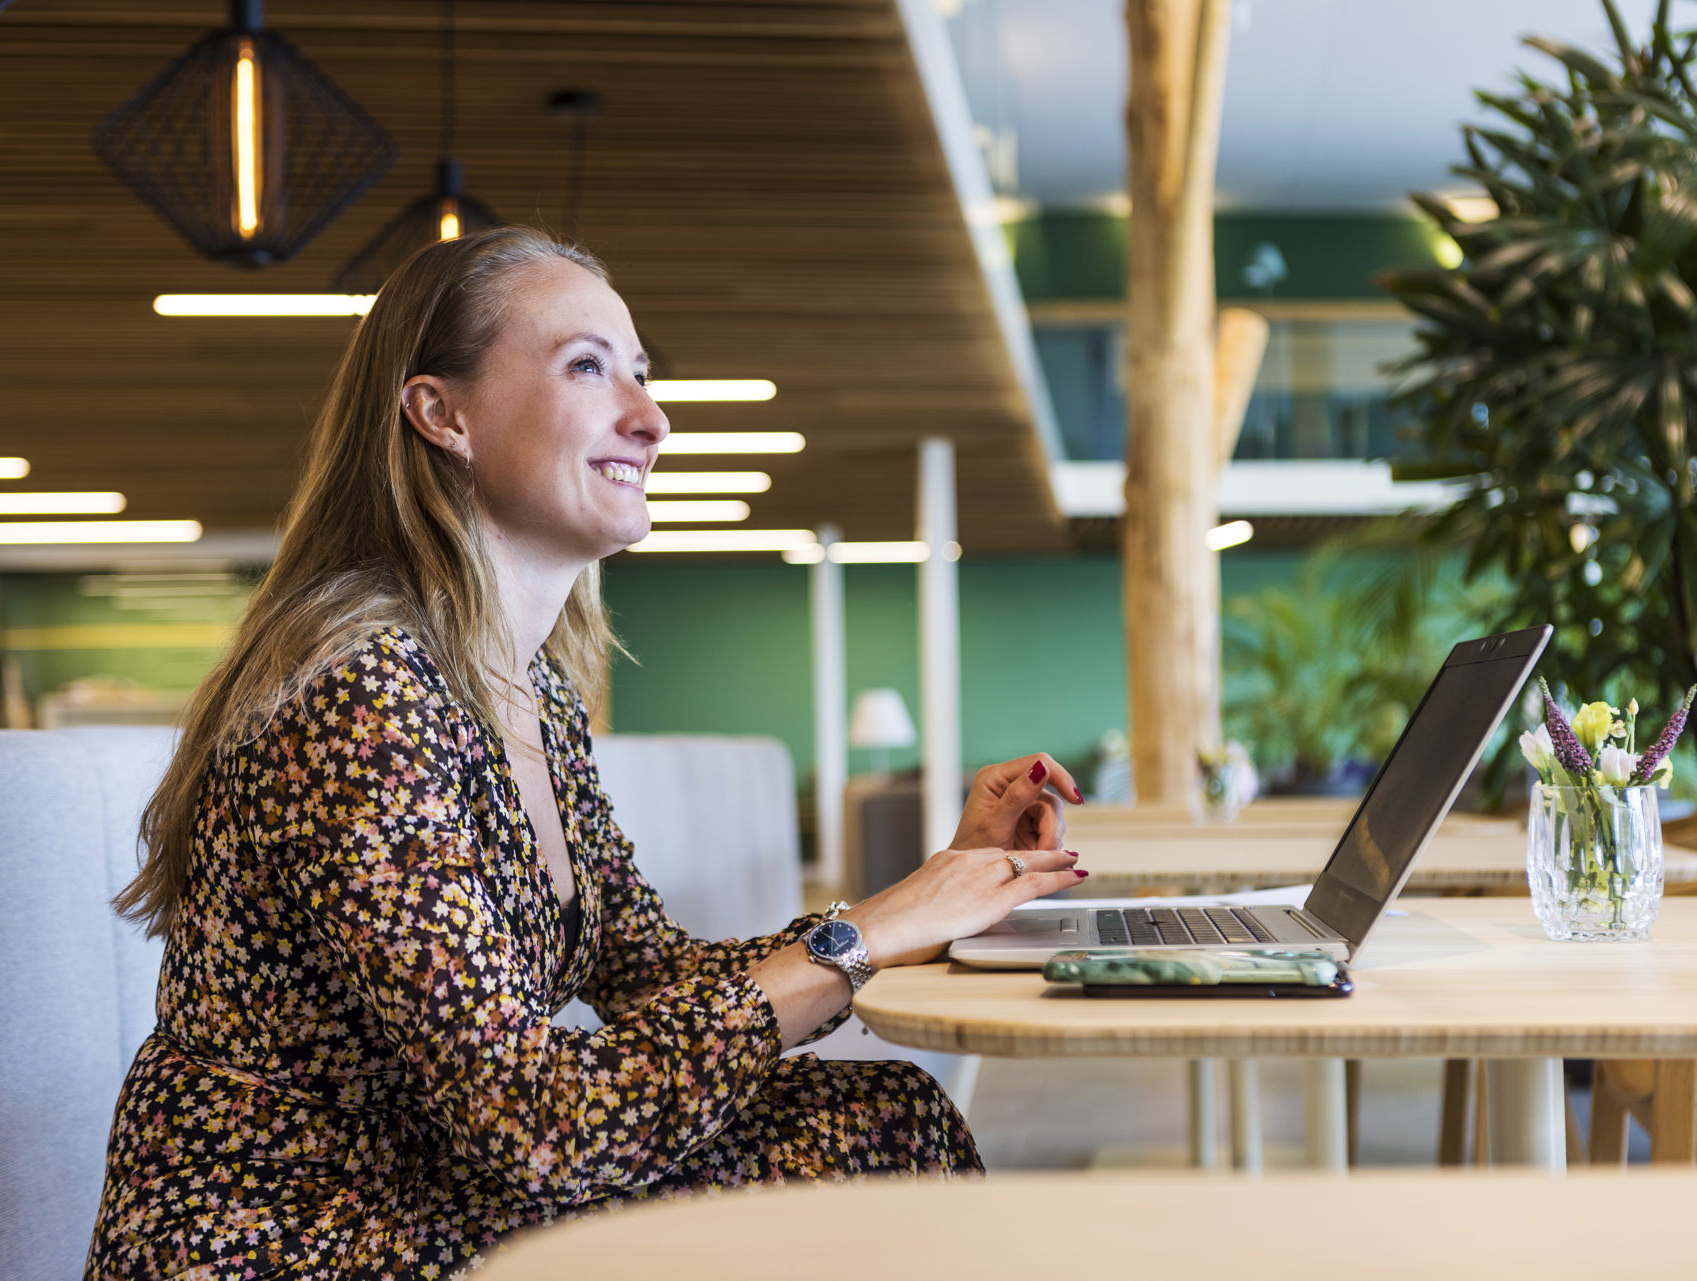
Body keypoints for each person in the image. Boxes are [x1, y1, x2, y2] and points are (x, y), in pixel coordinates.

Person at [84, 226, 1088, 1280]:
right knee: (879, 1139)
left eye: (643, 376)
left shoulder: (528, 694)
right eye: (588, 368)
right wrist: (868, 936)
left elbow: (653, 980)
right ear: (442, 413)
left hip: (425, 1179)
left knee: (886, 1120)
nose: (650, 420)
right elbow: (535, 1122)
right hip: (296, 1226)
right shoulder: (360, 694)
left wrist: (930, 893)